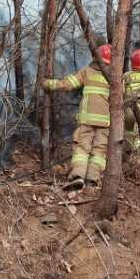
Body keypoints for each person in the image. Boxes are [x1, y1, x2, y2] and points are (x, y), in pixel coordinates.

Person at [42, 44, 113, 190]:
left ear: (96, 58)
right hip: (106, 122)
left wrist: (48, 84)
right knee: (99, 151)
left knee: (82, 149)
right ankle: (92, 179)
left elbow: (67, 84)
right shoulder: (115, 77)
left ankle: (77, 176)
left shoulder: (87, 72)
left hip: (87, 120)